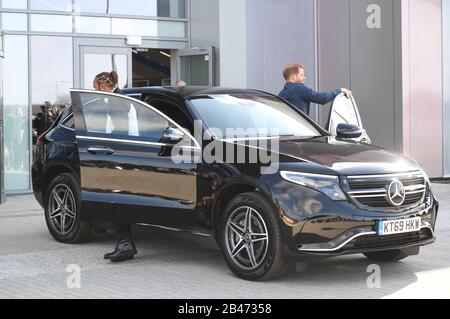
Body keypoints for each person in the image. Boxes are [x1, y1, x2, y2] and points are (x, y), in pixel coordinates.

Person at [93, 71, 138, 262]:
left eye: (94, 86)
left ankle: (125, 244)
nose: (93, 90)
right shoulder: (122, 99)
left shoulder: (115, 102)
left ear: (103, 85)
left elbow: (120, 130)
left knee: (115, 200)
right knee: (116, 199)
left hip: (119, 155)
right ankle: (124, 243)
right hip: (124, 153)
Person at [278, 63, 352, 115]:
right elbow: (322, 98)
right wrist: (340, 90)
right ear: (293, 77)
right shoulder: (299, 88)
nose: (304, 78)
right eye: (302, 75)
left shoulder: (281, 94)